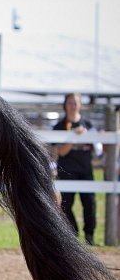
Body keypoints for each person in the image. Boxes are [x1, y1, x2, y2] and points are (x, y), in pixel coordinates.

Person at [54, 92, 97, 245]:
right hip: (67, 170)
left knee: (89, 203)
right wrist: (74, 137)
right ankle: (73, 235)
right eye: (70, 102)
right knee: (66, 204)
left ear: (80, 105)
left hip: (85, 169)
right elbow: (60, 151)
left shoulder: (88, 124)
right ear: (65, 105)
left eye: (75, 102)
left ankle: (89, 236)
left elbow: (96, 150)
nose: (73, 106)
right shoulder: (59, 126)